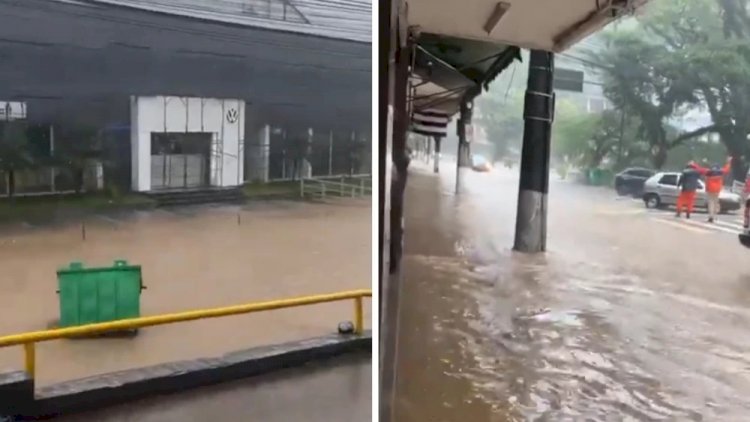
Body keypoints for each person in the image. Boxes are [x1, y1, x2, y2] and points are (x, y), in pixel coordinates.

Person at [693, 157, 732, 223]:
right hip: (717, 190)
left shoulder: (708, 171)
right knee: (715, 202)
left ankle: (710, 216)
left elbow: (699, 170)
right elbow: (727, 169)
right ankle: (715, 216)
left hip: (710, 189)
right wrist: (728, 161)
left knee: (710, 203)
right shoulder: (721, 171)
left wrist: (694, 164)